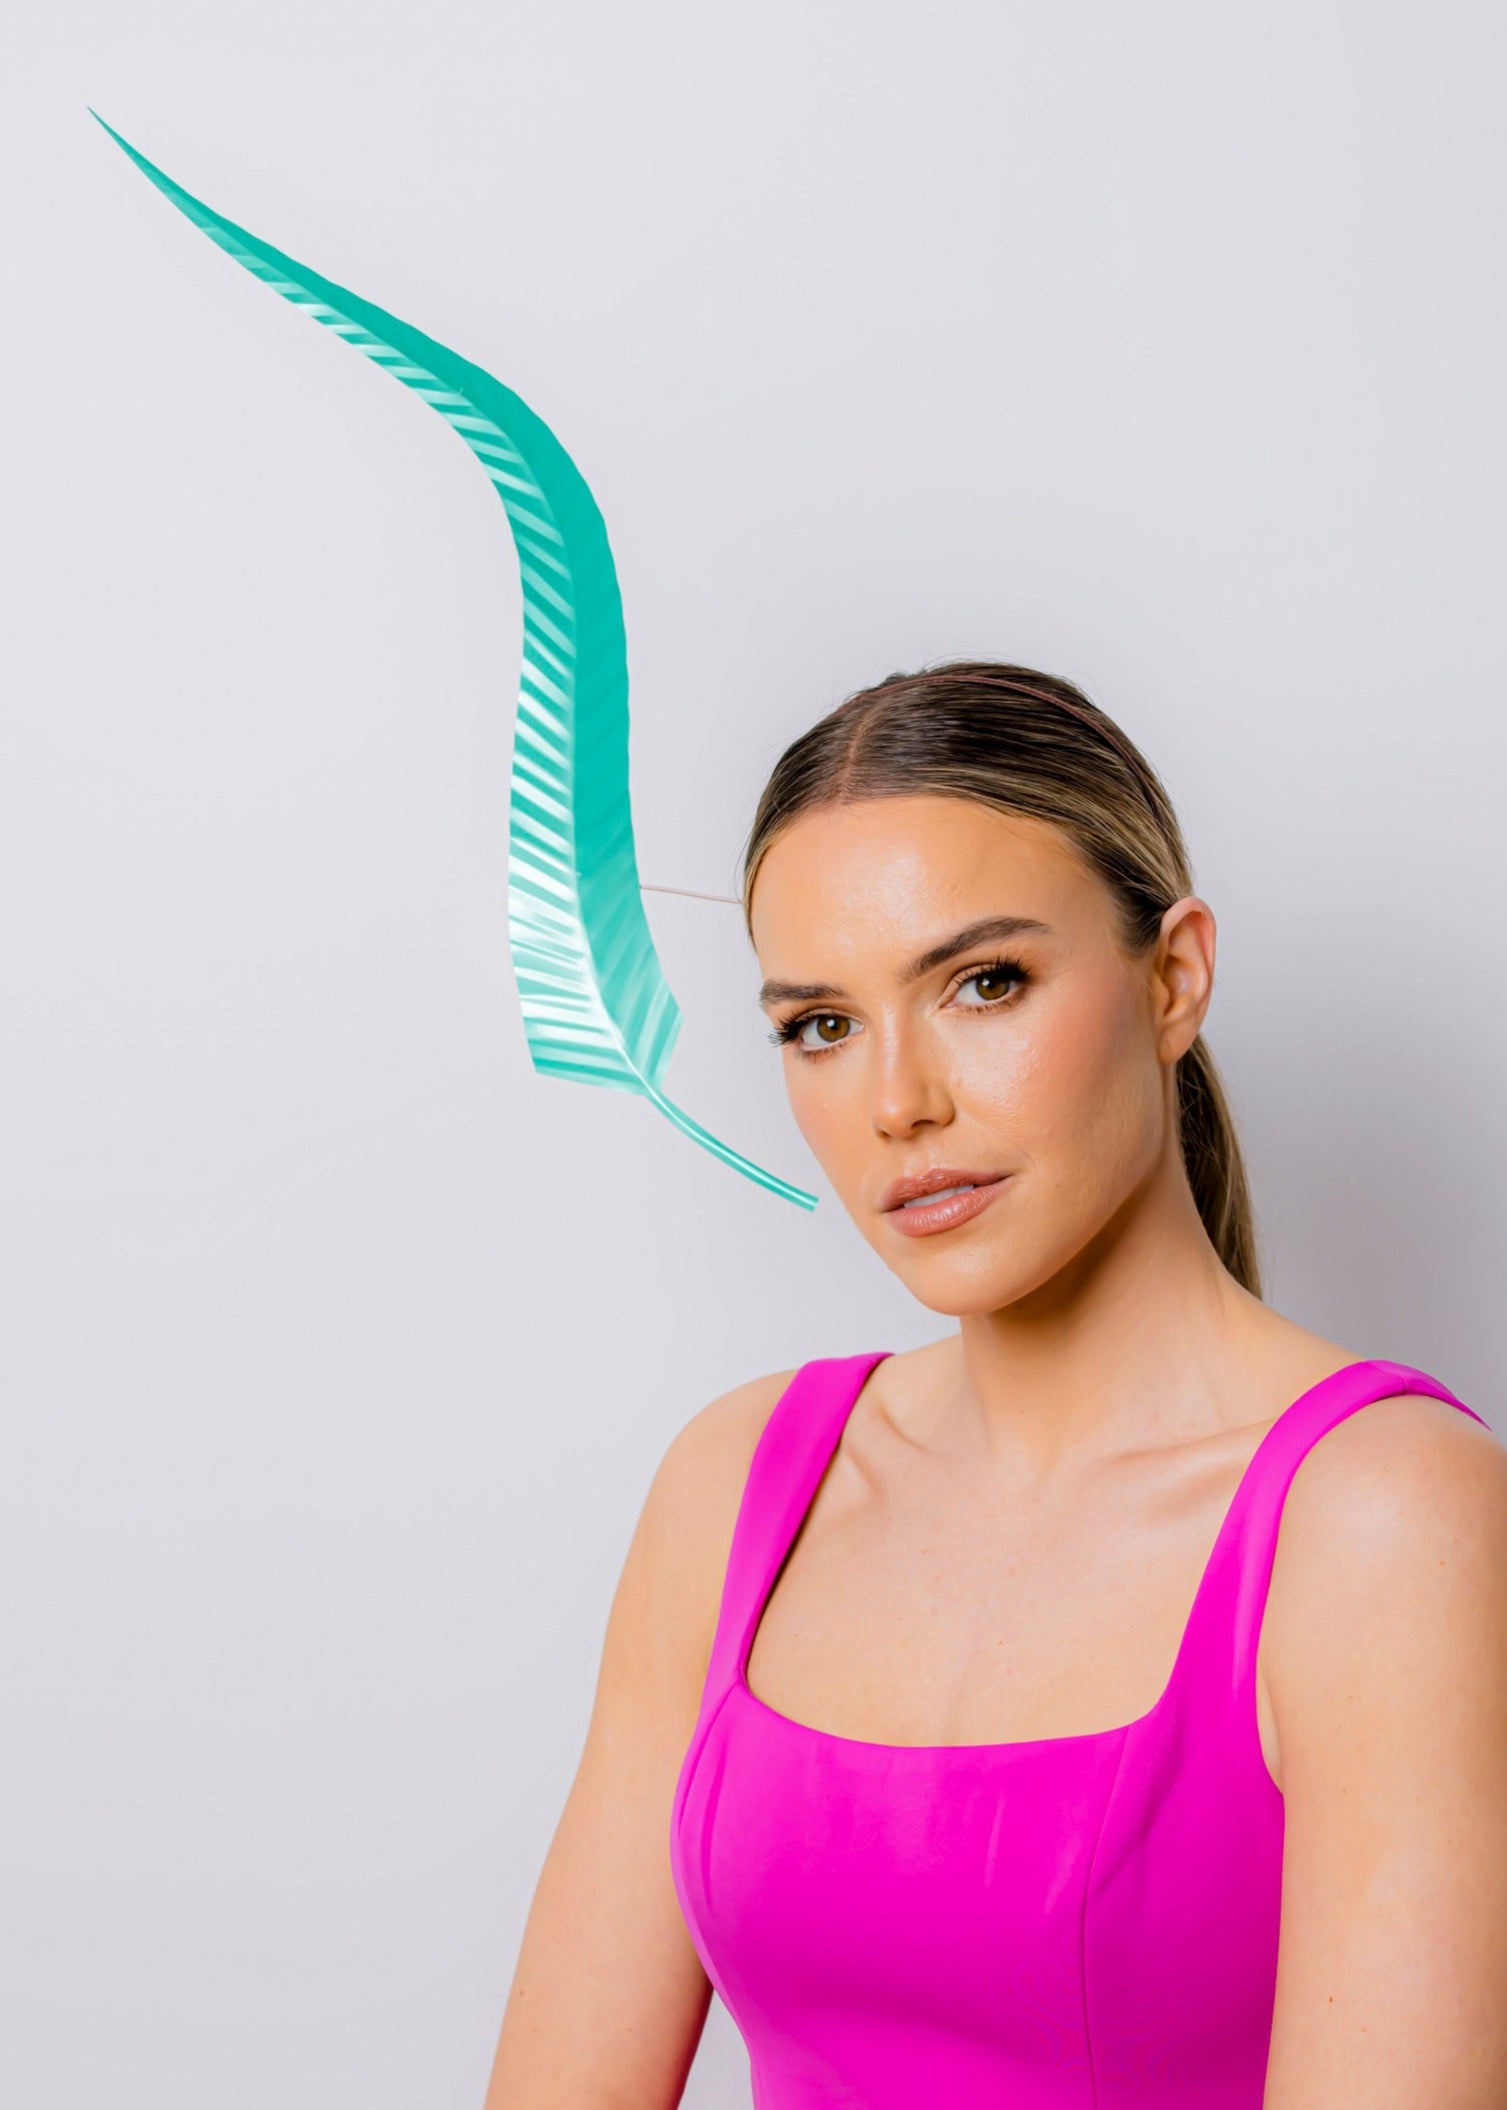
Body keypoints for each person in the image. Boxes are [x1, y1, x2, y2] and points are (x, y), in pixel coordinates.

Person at [483, 661, 1507, 2108]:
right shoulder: (737, 1487)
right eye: (820, 1023)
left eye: (984, 982)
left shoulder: (1386, 1519)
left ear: (1174, 975)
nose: (899, 1099)